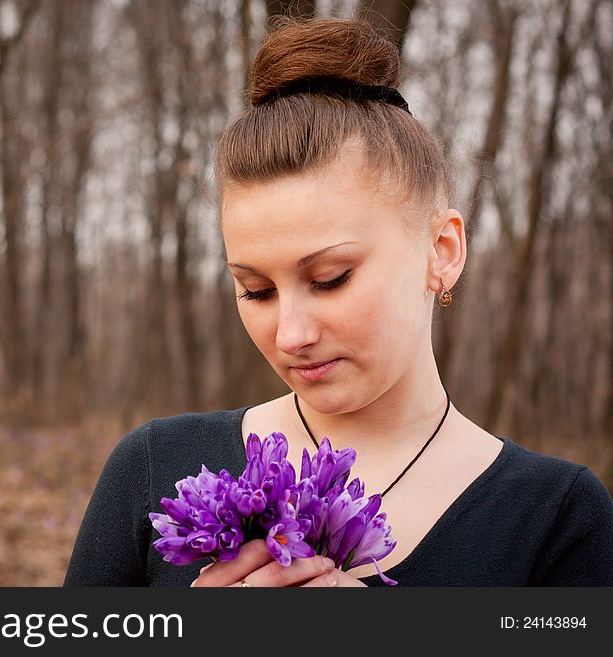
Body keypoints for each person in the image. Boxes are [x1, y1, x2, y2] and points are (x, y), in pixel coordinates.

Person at [63, 17, 613, 587]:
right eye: (256, 290)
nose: (290, 335)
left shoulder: (558, 519)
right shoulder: (156, 471)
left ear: (442, 250)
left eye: (330, 278)